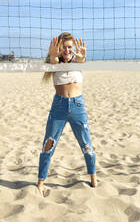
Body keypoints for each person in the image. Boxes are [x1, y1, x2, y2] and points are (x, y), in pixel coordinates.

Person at [37, 32, 97, 196]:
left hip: (78, 106)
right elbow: (55, 60)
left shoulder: (78, 61)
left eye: (70, 47)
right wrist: (52, 54)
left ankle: (93, 177)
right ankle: (41, 181)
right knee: (48, 145)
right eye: (64, 47)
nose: (67, 50)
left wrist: (82, 56)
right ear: (58, 48)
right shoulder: (54, 63)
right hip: (59, 107)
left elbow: (80, 59)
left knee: (86, 145)